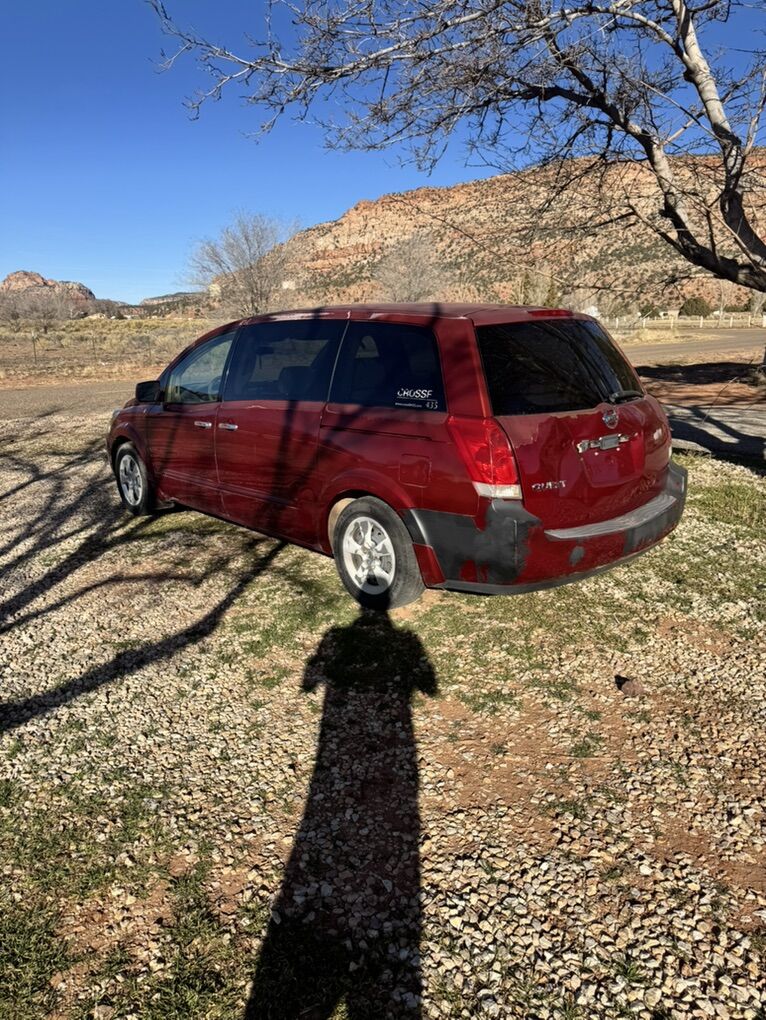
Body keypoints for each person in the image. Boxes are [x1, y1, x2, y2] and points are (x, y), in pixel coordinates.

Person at [246, 609, 438, 1019]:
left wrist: (312, 678)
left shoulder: (341, 636)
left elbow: (313, 673)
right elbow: (426, 680)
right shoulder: (399, 639)